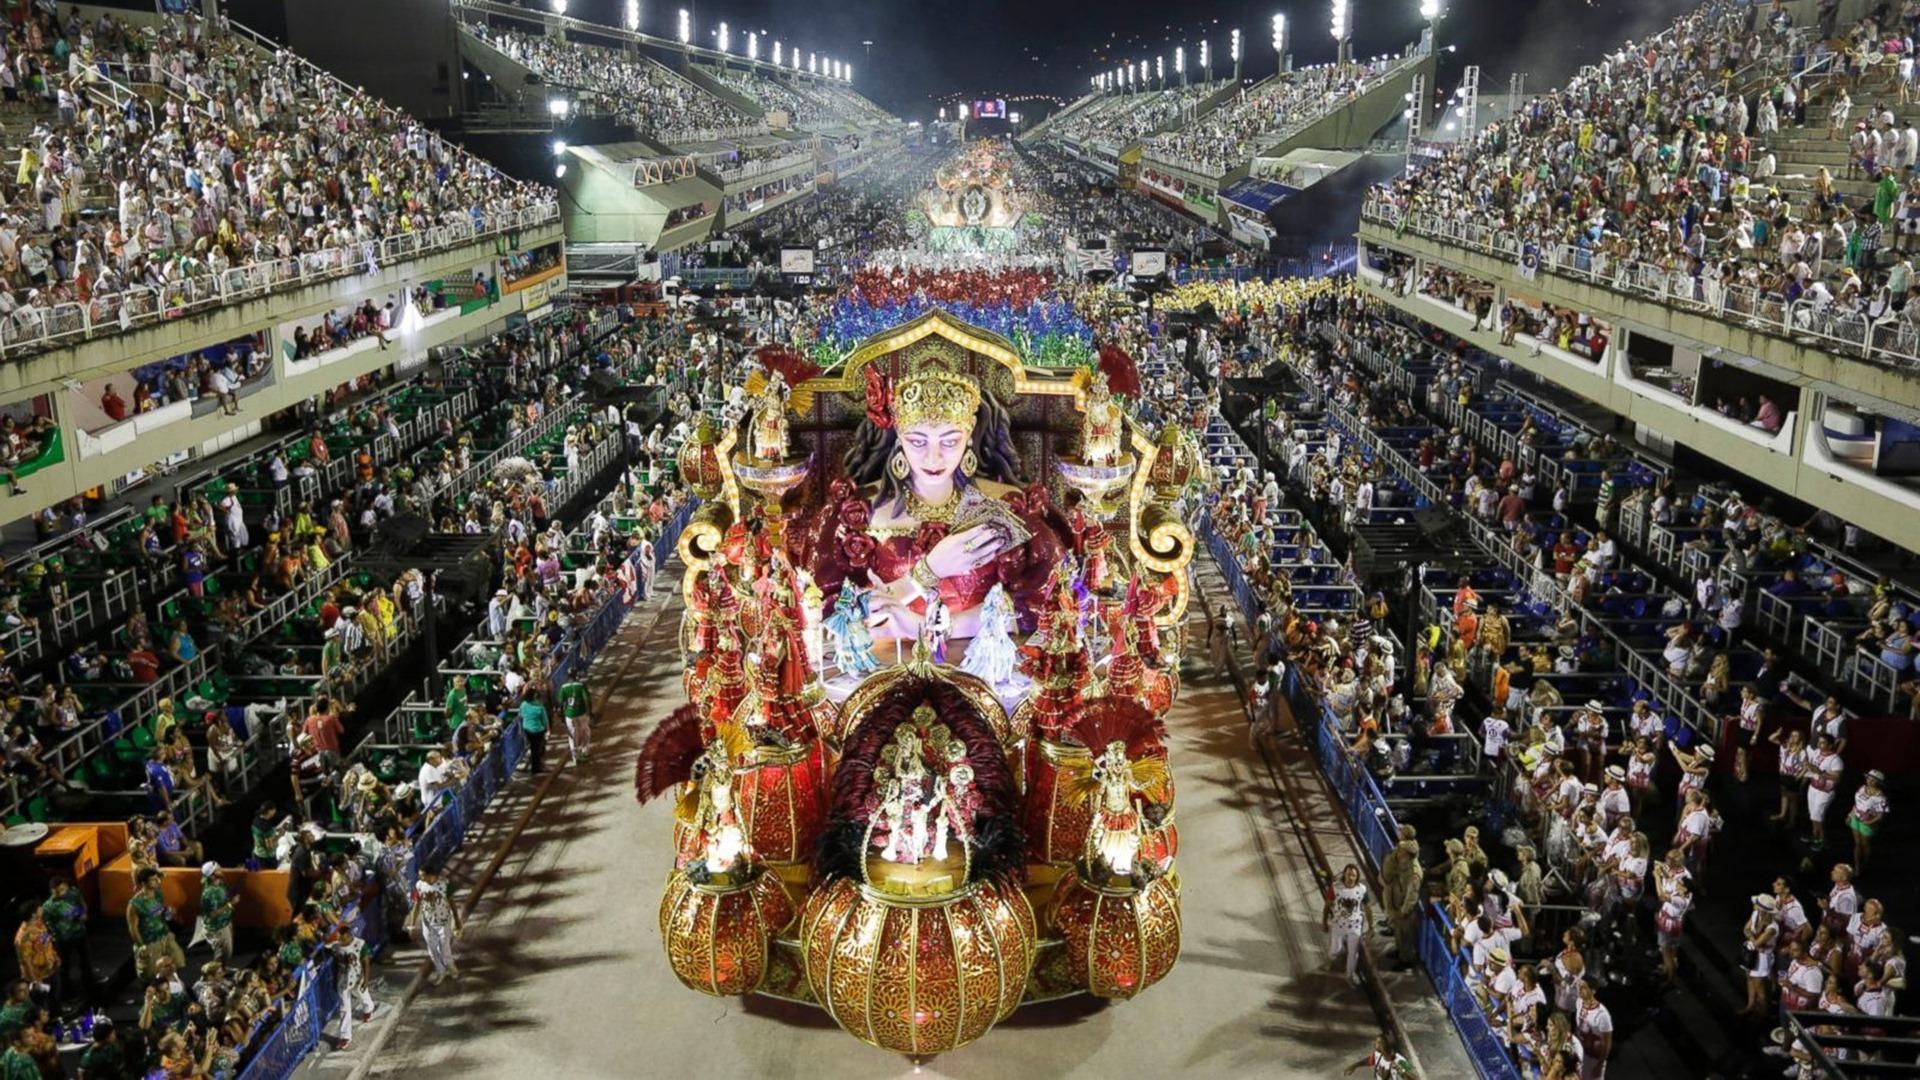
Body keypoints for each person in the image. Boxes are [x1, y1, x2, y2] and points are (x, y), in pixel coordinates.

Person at [41, 877, 96, 1005]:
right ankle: (67, 993)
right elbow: (47, 926)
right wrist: (53, 939)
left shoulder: (73, 893)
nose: (60, 893)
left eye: (62, 890)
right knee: (64, 967)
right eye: (56, 891)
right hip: (63, 939)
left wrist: (84, 913)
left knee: (86, 960)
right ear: (51, 891)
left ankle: (90, 985)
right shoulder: (48, 907)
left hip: (79, 933)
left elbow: (82, 904)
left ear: (66, 887)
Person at [407, 863, 462, 985]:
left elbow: (452, 902)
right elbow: (416, 906)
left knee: (444, 949)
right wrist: (412, 925)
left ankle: (452, 968)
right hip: (428, 923)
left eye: (423, 875)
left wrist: (457, 921)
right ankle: (441, 972)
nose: (420, 878)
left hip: (443, 923)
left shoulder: (445, 884)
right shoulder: (419, 886)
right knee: (432, 950)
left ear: (431, 875)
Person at [126, 868, 184, 981]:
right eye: (153, 880)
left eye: (157, 878)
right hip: (150, 941)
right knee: (151, 975)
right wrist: (142, 946)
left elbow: (161, 912)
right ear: (143, 883)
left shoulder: (158, 894)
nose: (158, 881)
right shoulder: (134, 905)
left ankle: (172, 987)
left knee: (178, 961)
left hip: (165, 934)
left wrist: (168, 912)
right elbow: (133, 928)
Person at [1323, 862, 1373, 987]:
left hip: (1355, 927)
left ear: (1357, 877)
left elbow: (1367, 908)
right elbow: (1327, 905)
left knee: (1353, 953)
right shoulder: (1335, 888)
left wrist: (1371, 926)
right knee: (1336, 949)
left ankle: (1349, 975)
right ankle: (1330, 958)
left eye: (1354, 875)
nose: (1351, 878)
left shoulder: (1362, 890)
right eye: (1349, 874)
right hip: (1338, 925)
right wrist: (1324, 921)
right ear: (1344, 874)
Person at [190, 863, 235, 963]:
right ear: (212, 875)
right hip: (217, 927)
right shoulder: (209, 893)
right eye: (218, 869)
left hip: (225, 922)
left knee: (227, 952)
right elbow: (212, 914)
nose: (221, 869)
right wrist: (230, 904)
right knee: (222, 952)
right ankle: (215, 973)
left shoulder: (220, 884)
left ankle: (222, 969)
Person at [1846, 769, 1889, 874]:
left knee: (1865, 845)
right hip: (1855, 819)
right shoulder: (1862, 788)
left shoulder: (1880, 797)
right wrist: (1850, 814)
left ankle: (1866, 863)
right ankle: (1857, 866)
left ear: (1878, 783)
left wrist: (1869, 823)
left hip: (1867, 823)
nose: (1869, 781)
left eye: (1873, 780)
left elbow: (1881, 816)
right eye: (1868, 778)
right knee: (1857, 844)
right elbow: (1856, 803)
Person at [1343, 1033, 1415, 1078]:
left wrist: (1401, 1071)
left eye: (1378, 1042)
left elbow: (1413, 1077)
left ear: (1384, 1045)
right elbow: (1369, 1061)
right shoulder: (1378, 1055)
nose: (1374, 1043)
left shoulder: (1399, 1060)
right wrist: (1355, 1065)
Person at [559, 673, 591, 765]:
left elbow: (561, 703)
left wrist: (562, 716)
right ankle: (585, 750)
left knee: (572, 734)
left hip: (569, 714)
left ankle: (575, 756)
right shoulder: (580, 685)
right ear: (575, 677)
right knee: (585, 730)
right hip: (581, 713)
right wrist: (589, 711)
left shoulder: (563, 687)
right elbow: (586, 699)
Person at [519, 692, 550, 774]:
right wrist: (547, 729)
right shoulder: (539, 707)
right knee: (538, 749)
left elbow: (521, 715)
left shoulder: (523, 705)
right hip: (538, 731)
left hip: (527, 730)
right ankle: (536, 767)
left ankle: (535, 766)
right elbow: (544, 720)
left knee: (533, 748)